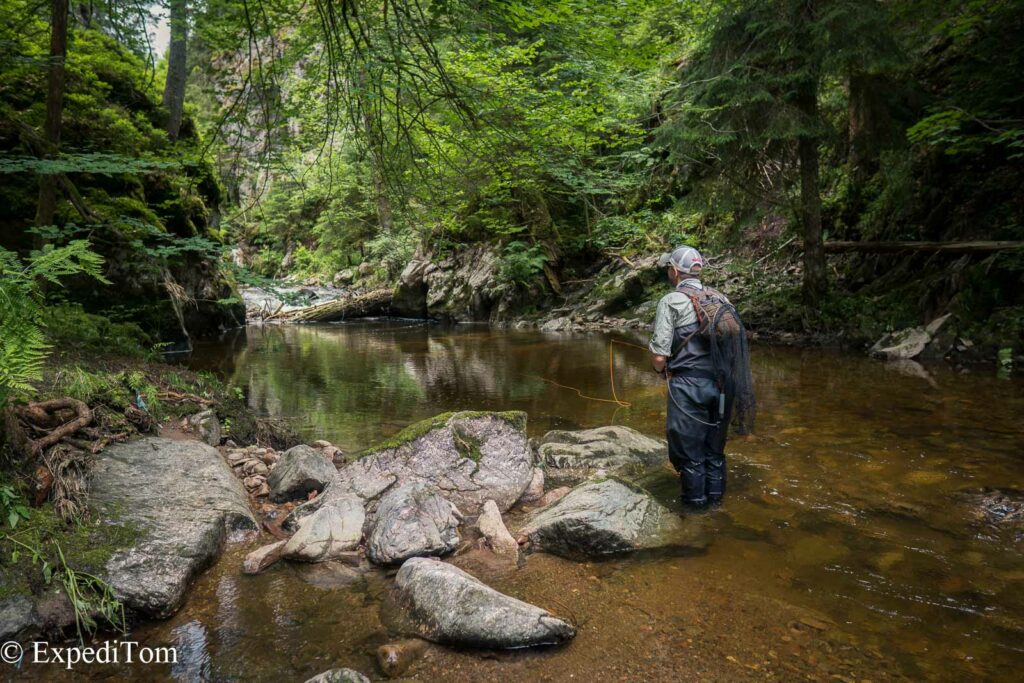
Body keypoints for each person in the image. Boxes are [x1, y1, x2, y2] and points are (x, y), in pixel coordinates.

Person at [649, 246, 746, 508]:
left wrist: (661, 370)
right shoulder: (722, 299)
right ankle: (716, 506)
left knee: (690, 454)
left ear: (674, 271)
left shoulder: (671, 301)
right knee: (714, 452)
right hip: (723, 388)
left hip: (688, 388)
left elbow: (659, 357)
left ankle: (695, 513)